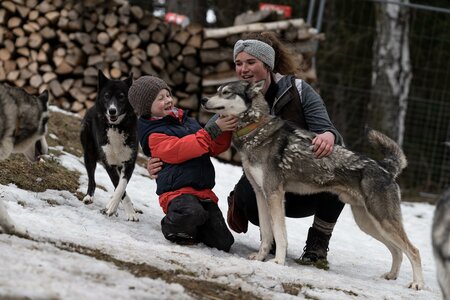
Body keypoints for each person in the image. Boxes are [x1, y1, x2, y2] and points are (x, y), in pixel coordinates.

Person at [148, 31, 345, 266]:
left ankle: (318, 243)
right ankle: (268, 239)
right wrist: (161, 158)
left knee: (339, 173)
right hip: (265, 177)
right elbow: (203, 140)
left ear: (268, 65)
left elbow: (329, 131)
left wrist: (328, 135)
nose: (244, 69)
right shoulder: (234, 97)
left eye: (251, 62)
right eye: (238, 63)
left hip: (305, 182)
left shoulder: (299, 91)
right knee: (247, 196)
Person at [128, 75, 237, 252]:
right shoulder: (154, 134)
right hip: (177, 193)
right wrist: (214, 129)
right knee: (191, 212)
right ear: (147, 108)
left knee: (224, 242)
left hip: (203, 191)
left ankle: (193, 228)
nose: (168, 100)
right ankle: (172, 227)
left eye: (168, 95)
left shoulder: (186, 121)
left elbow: (211, 147)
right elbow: (180, 150)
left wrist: (222, 130)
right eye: (160, 98)